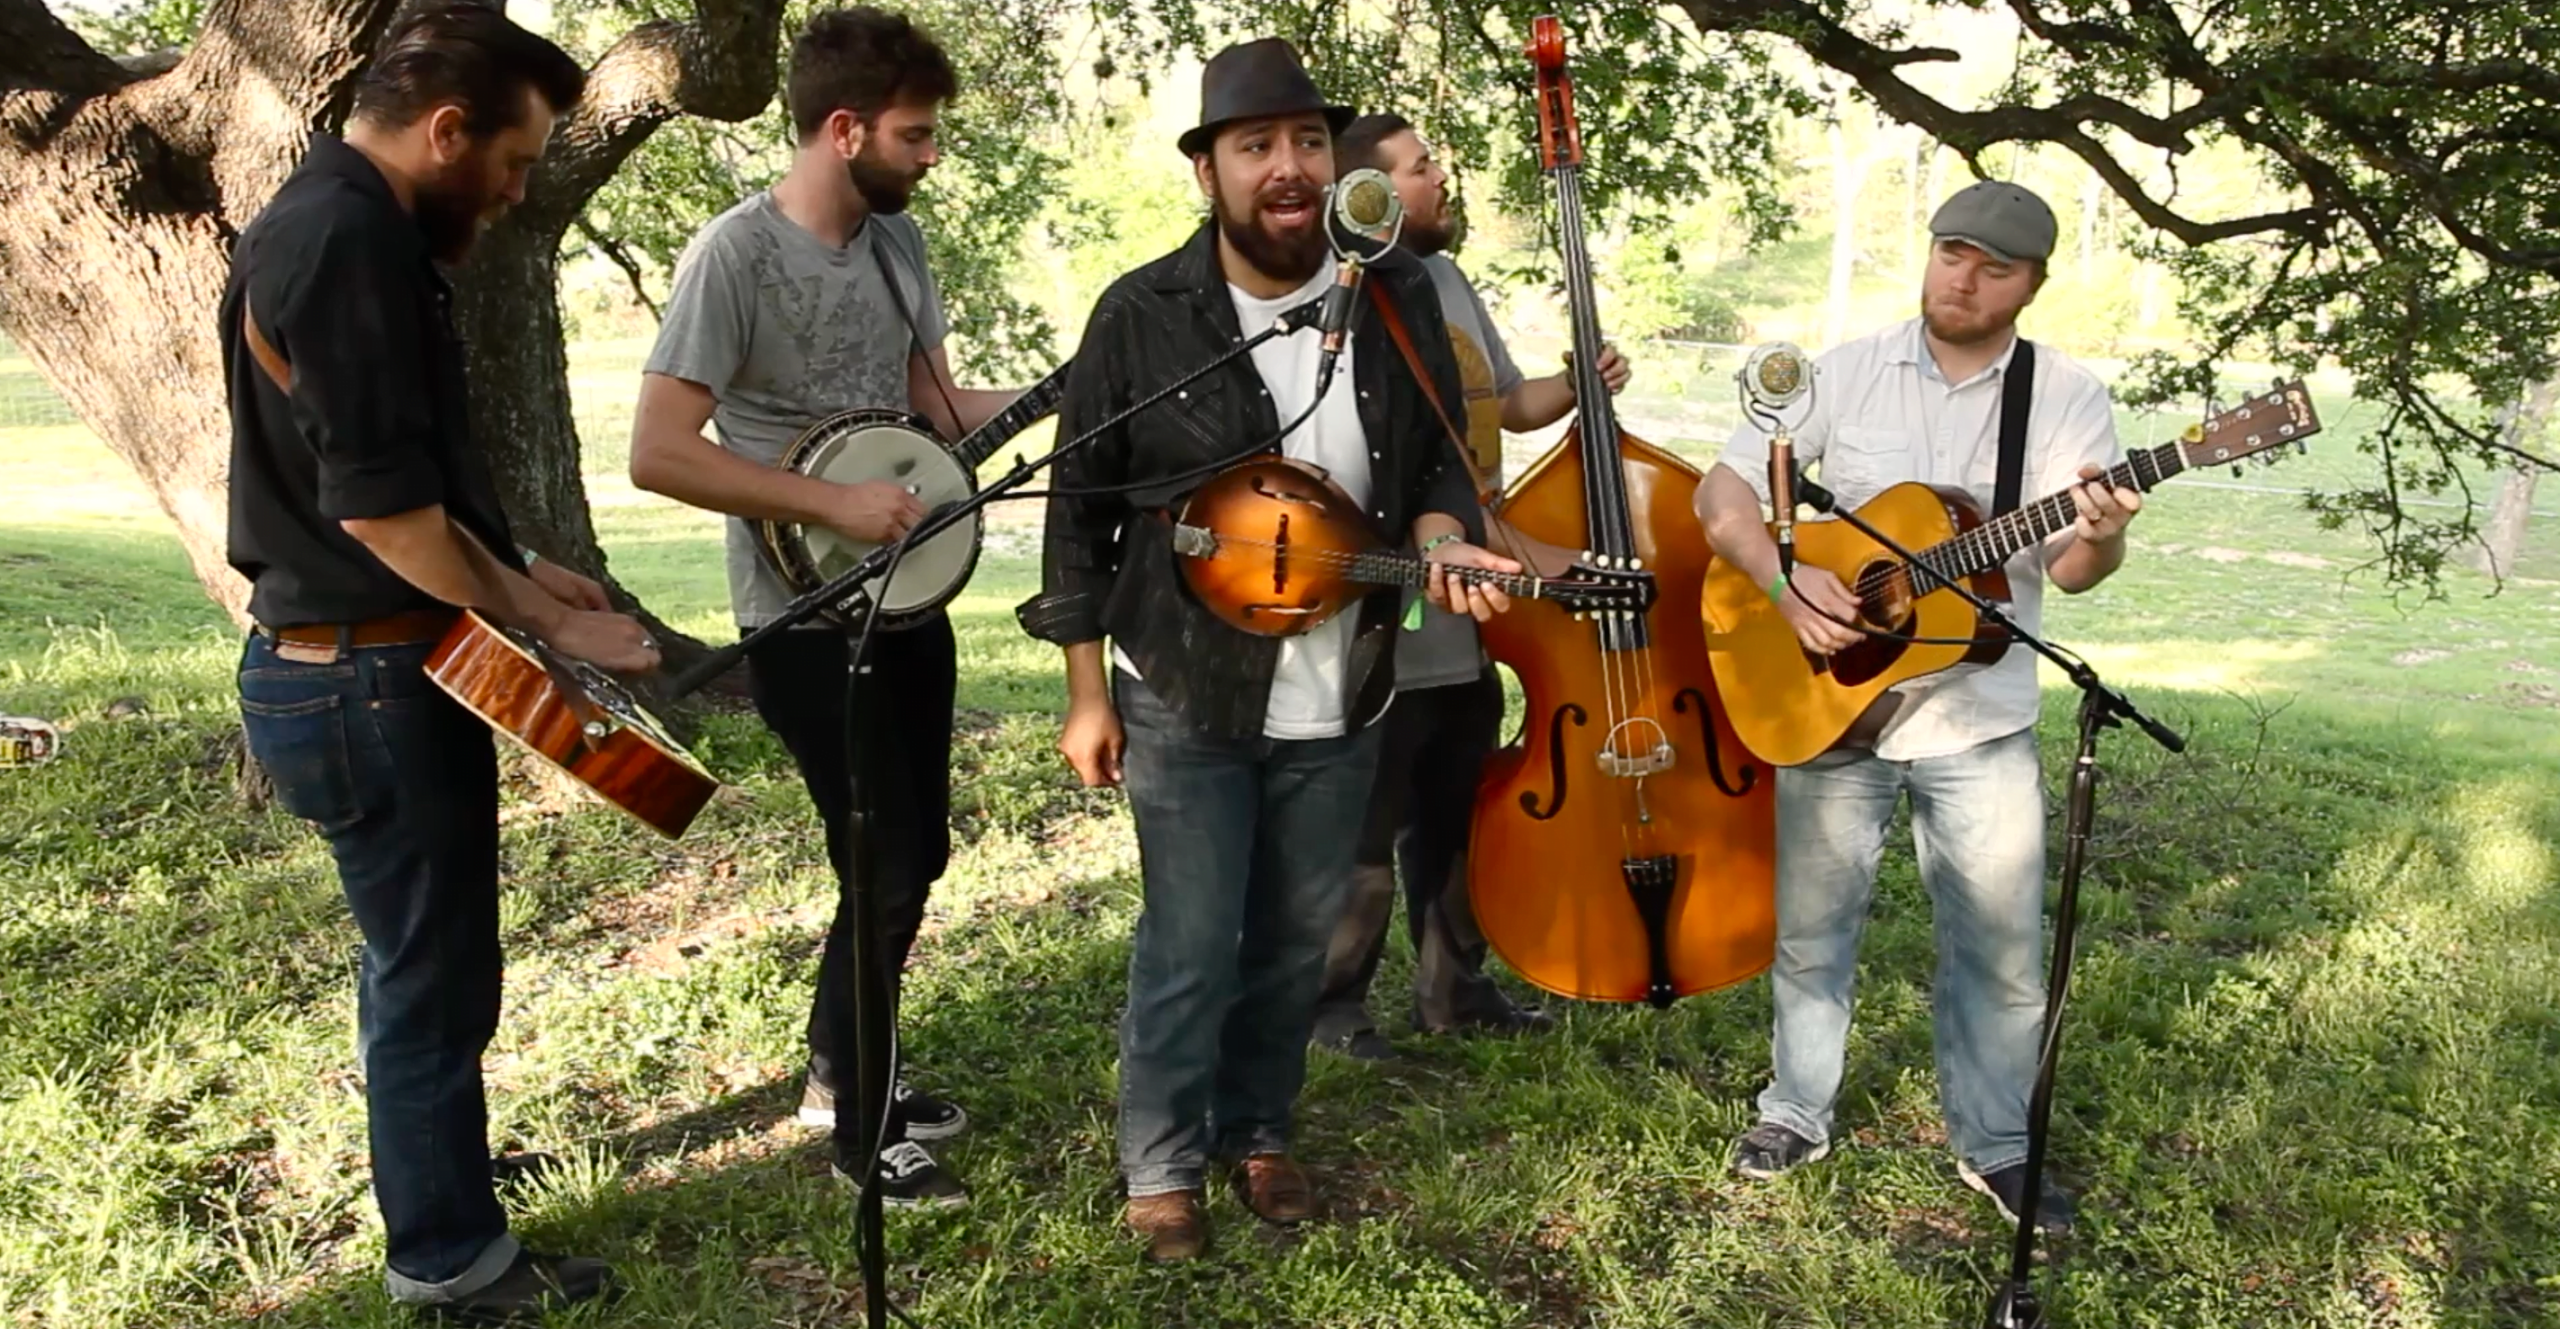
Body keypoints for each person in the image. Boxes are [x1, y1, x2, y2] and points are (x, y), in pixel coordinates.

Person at [1016, 38, 1520, 1263]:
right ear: (1209, 172)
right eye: (1255, 147)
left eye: (1304, 142)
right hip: (1184, 686)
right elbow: (1078, 508)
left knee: (1294, 940)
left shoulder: (1395, 299)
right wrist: (1088, 692)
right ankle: (1162, 1164)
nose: (1286, 169)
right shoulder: (1142, 314)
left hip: (1342, 687)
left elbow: (1435, 475)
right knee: (1189, 940)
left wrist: (1447, 541)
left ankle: (1258, 1131)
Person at [221, 2, 647, 1319]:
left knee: (430, 963)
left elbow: (392, 470)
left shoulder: (338, 220)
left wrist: (523, 572)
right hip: (362, 674)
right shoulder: (346, 238)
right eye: (513, 162)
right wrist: (547, 623)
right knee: (429, 974)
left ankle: (440, 1171)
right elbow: (379, 513)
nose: (520, 193)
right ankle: (451, 1264)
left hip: (368, 663)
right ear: (446, 129)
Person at [630, 6, 1030, 1210]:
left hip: (911, 601)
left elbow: (939, 409)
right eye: (914, 134)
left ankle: (842, 1071)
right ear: (843, 127)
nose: (930, 155)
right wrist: (829, 504)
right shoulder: (734, 257)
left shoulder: (898, 250)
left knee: (915, 852)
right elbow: (658, 451)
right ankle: (862, 1134)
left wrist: (1089, 380)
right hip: (803, 620)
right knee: (886, 853)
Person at [1692, 180, 2143, 1233]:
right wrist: (1780, 581)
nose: (1964, 278)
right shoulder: (1842, 373)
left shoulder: (2065, 397)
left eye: (1994, 268)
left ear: (2031, 284)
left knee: (1998, 950)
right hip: (1829, 707)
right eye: (1951, 253)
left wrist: (2107, 528)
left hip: (1977, 717)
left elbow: (2073, 574)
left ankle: (1995, 1144)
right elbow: (1721, 497)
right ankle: (1794, 1110)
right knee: (1812, 932)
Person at [1306, 113, 1634, 1061]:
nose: (1439, 177)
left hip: (1475, 591)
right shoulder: (1349, 295)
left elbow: (1508, 405)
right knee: (1371, 813)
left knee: (1457, 798)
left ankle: (1454, 989)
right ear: (1365, 193)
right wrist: (1529, 555)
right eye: (1416, 169)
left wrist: (1577, 383)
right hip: (1397, 585)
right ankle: (1333, 1004)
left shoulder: (1445, 279)